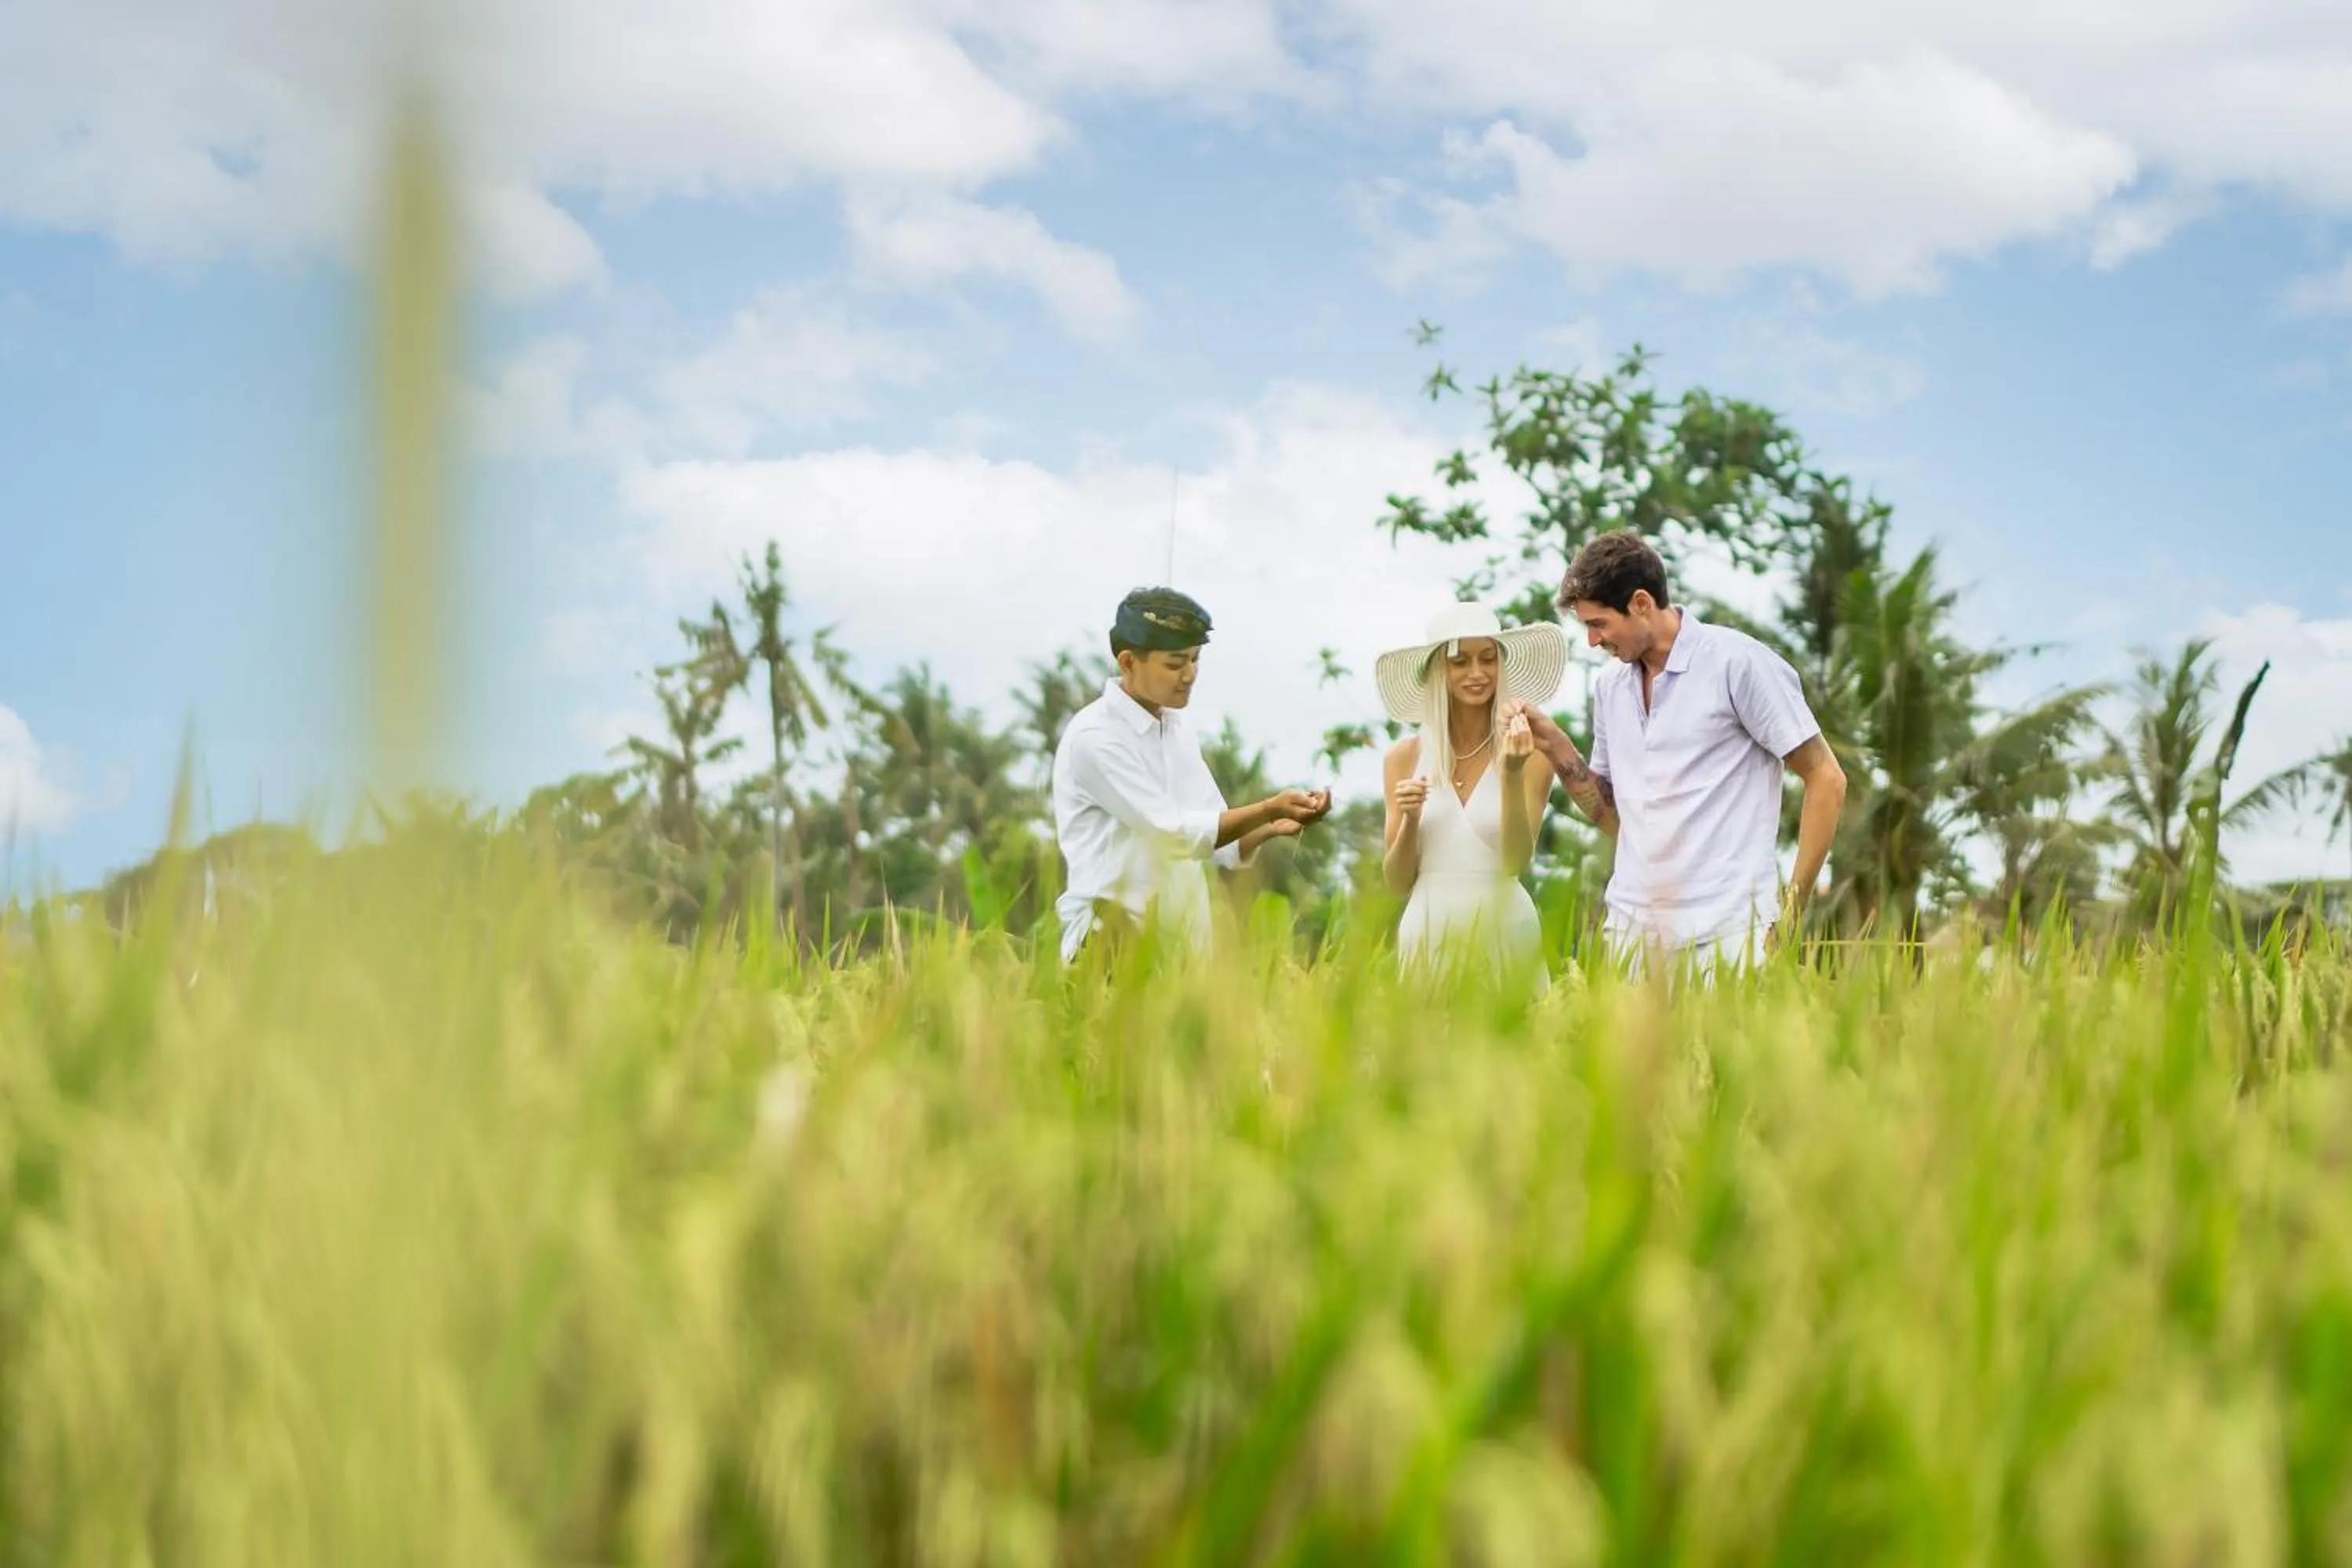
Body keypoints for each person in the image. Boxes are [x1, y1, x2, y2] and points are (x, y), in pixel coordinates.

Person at [1507, 530, 1847, 978]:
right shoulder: (1610, 687)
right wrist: (1555, 745)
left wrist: (1791, 912)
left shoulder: (1737, 663)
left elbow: (1826, 777)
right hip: (1630, 938)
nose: (1592, 640)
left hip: (1731, 934)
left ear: (1641, 603)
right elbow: (1615, 819)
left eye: (1598, 624)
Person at [1050, 586, 1330, 965]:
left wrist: (1272, 825)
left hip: (1177, 949)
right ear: (1128, 662)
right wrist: (1267, 809)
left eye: (1196, 659)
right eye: (1174, 663)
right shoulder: (1096, 736)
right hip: (1109, 947)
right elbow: (1173, 834)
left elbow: (1216, 836)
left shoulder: (1176, 729)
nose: (1189, 674)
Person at [1374, 602, 1569, 980]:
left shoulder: (1531, 754)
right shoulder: (1403, 758)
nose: (1477, 673)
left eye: (1487, 659)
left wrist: (1510, 773)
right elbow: (1397, 882)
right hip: (1427, 931)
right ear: (1439, 671)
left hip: (1506, 930)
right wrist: (1411, 820)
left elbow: (1515, 862)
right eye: (1460, 662)